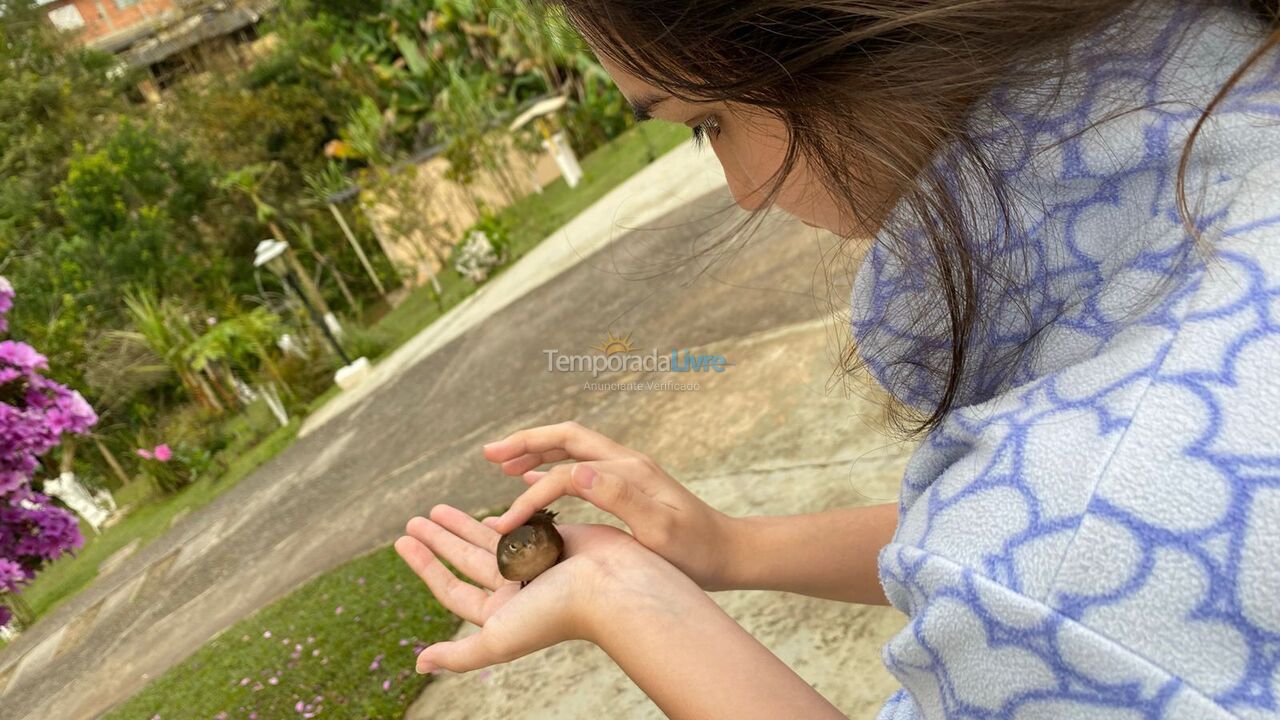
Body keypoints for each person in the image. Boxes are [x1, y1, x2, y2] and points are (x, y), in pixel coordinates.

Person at [393, 1, 1280, 717]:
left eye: (704, 121)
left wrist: (621, 601)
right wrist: (730, 548)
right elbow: (1004, 522)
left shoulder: (1076, 579)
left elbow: (1049, 556)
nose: (742, 192)